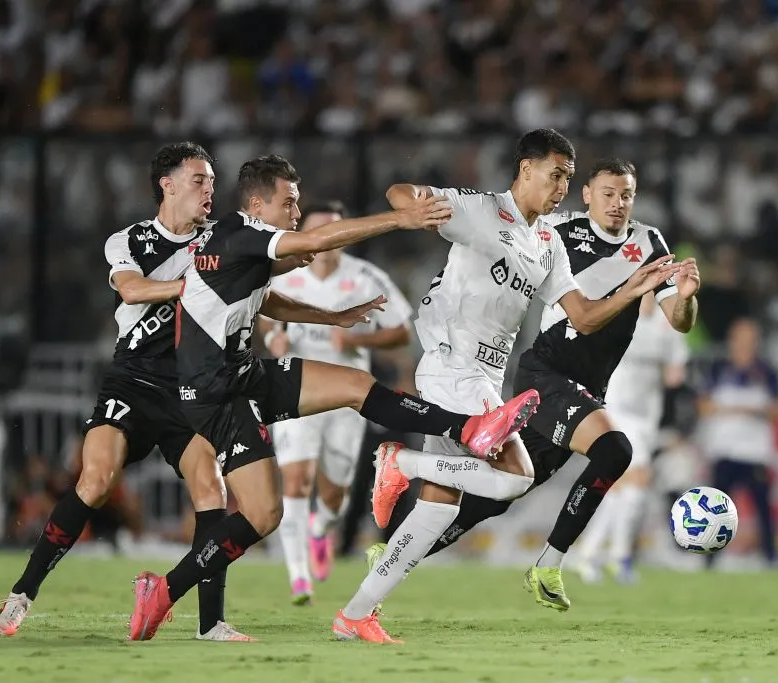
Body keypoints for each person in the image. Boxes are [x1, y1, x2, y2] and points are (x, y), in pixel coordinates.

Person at [126, 154, 542, 641]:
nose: (296, 212)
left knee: (354, 386)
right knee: (265, 514)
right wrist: (399, 219)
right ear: (258, 204)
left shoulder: (237, 243)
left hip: (244, 373)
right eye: (290, 202)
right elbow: (317, 241)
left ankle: (461, 430)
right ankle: (163, 590)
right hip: (213, 393)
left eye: (299, 202)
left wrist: (332, 318)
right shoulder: (241, 234)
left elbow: (265, 297)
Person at [333, 141, 686, 643]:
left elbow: (583, 316)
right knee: (515, 477)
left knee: (439, 507)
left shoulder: (547, 240)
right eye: (555, 175)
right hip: (453, 364)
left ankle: (355, 614)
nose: (562, 187)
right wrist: (415, 208)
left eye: (567, 177)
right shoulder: (480, 210)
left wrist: (634, 289)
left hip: (485, 376)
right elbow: (399, 191)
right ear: (525, 169)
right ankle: (400, 463)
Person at [0, 142, 252, 642]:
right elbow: (132, 289)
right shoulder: (128, 240)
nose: (209, 190)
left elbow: (264, 292)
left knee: (211, 489)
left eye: (212, 181)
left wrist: (327, 315)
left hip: (191, 387)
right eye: (199, 180)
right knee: (96, 479)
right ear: (167, 185)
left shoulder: (221, 240)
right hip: (133, 380)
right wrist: (198, 289)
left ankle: (211, 623)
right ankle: (22, 593)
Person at [258, 201, 414, 605]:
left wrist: (358, 339)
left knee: (333, 494)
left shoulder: (365, 278)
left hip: (348, 397)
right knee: (295, 479)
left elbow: (400, 333)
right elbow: (262, 312)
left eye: (335, 231)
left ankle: (320, 528)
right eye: (318, 231)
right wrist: (274, 336)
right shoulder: (285, 274)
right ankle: (298, 577)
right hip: (295, 388)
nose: (327, 242)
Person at [571, 291, 689, 583]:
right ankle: (618, 556)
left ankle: (591, 553)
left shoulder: (666, 327)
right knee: (636, 481)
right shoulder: (619, 315)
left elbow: (676, 375)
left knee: (621, 489)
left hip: (646, 418)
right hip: (615, 409)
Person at [698, 317, 778, 568]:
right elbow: (703, 406)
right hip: (724, 449)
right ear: (732, 340)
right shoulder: (718, 369)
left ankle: (771, 558)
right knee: (717, 509)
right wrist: (731, 410)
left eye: (751, 338)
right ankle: (710, 560)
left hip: (755, 451)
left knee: (763, 507)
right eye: (742, 337)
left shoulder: (766, 372)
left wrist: (754, 411)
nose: (747, 343)